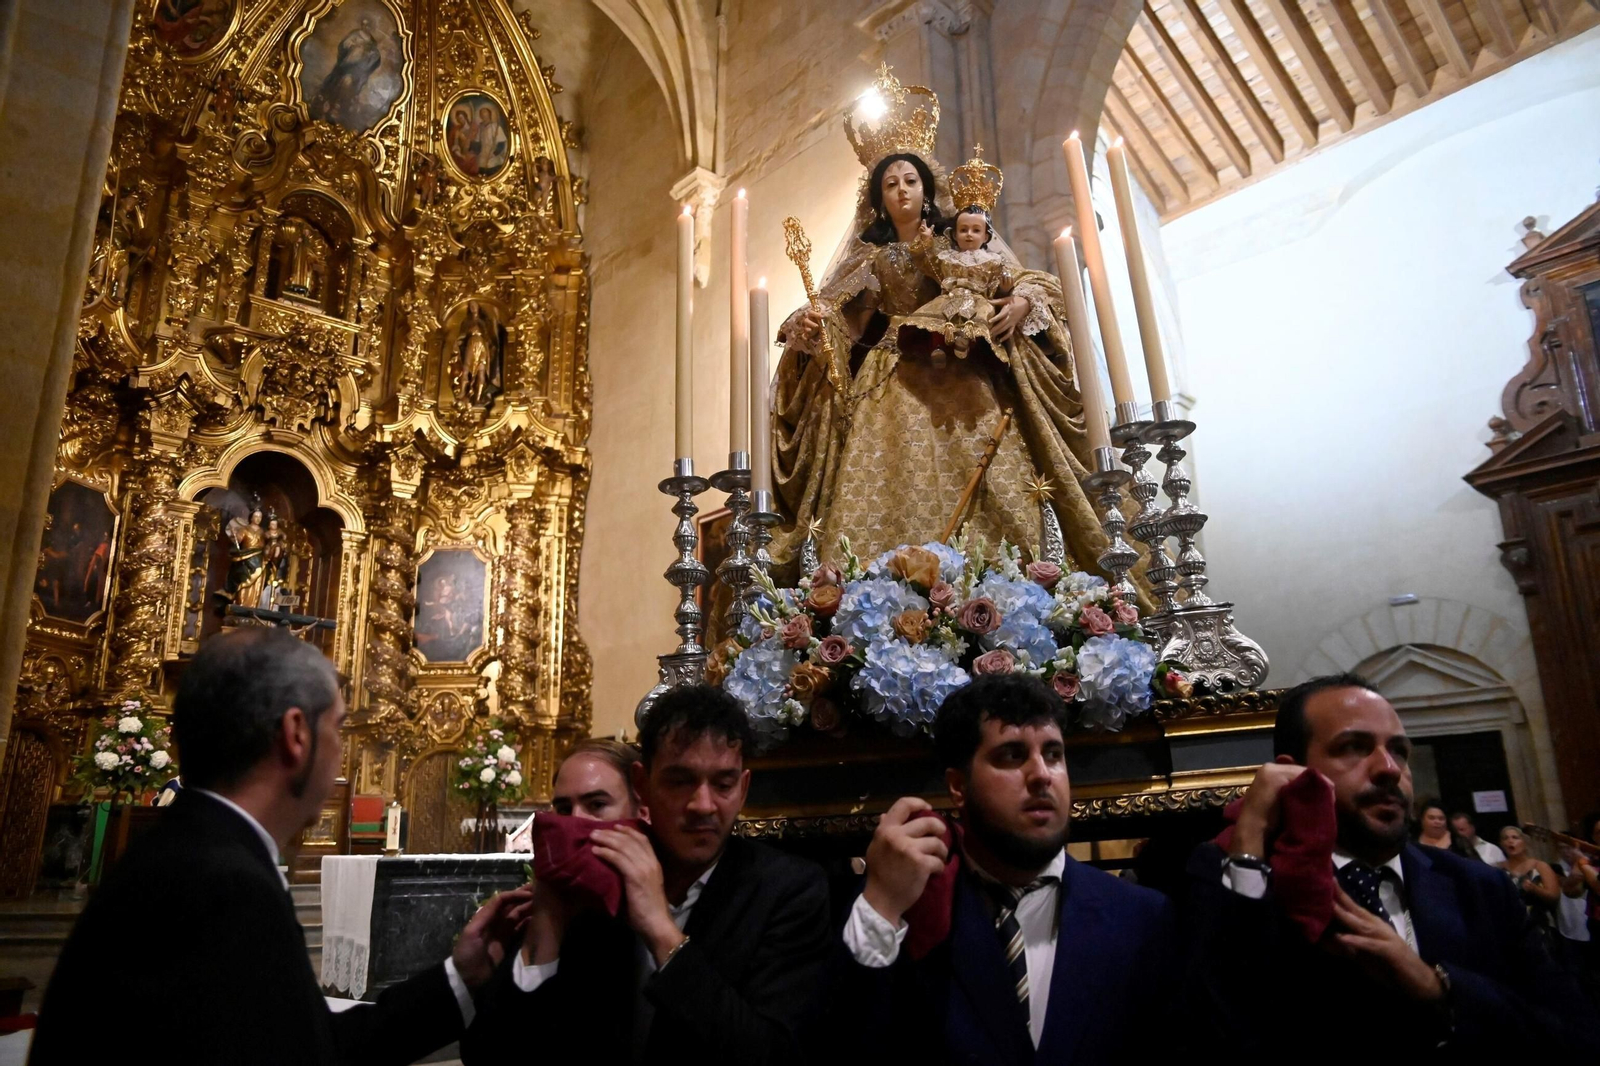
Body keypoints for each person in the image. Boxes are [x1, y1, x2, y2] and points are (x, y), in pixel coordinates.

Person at [32, 628, 534, 1065]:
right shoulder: (224, 887)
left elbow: (309, 1043)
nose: (340, 750)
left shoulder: (188, 850)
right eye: (335, 727)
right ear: (296, 734)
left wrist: (458, 977)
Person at [1183, 673, 1599, 1056]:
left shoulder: (1481, 887)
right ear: (1292, 775)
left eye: (1398, 751)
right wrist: (1251, 838)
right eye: (1353, 747)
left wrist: (1439, 988)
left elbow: (1574, 1037)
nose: (1389, 768)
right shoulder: (1242, 878)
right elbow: (1215, 1030)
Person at [460, 684, 832, 1064]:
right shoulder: (596, 876)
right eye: (679, 781)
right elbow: (488, 1055)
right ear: (643, 786)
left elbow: (773, 1057)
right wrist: (545, 931)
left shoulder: (788, 890)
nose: (703, 805)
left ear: (743, 788)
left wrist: (661, 930)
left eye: (723, 784)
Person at [825, 674, 1175, 1064]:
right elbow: (847, 1050)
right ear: (958, 787)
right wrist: (882, 905)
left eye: (1054, 754)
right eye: (1012, 755)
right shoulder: (909, 912)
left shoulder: (1142, 917)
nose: (1042, 774)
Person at [1499, 825, 1561, 935]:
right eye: (1505, 838)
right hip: (1511, 927)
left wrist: (1535, 889)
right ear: (1502, 844)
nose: (1510, 841)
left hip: (1540, 925)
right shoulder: (1498, 869)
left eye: (1515, 837)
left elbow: (1554, 896)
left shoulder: (1540, 866)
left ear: (1524, 842)